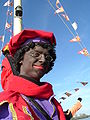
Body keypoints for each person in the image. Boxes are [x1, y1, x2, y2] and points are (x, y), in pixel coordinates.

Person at [0, 29, 67, 120]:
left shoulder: (52, 101)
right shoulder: (5, 103)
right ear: (20, 58)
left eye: (47, 57)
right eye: (36, 54)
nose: (43, 60)